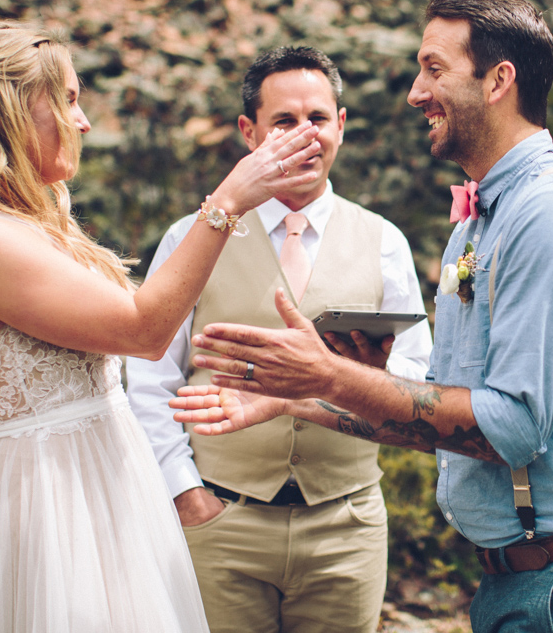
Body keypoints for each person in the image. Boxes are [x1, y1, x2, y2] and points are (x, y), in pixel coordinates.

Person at [171, 0, 553, 633]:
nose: (415, 92)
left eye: (434, 69)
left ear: (498, 80)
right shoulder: (478, 221)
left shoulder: (552, 212)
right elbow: (444, 412)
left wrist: (330, 376)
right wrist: (295, 398)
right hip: (526, 579)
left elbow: (511, 428)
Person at [0, 21, 321, 633]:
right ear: (7, 112)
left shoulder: (23, 223)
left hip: (100, 494)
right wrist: (229, 201)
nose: (83, 122)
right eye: (68, 100)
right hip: (46, 511)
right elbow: (143, 331)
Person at [126, 45, 432, 633]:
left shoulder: (384, 241)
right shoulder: (191, 237)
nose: (304, 135)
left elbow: (415, 383)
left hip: (347, 526)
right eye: (284, 122)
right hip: (221, 521)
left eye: (317, 118)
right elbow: (149, 377)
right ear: (250, 132)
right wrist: (186, 496)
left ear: (341, 125)